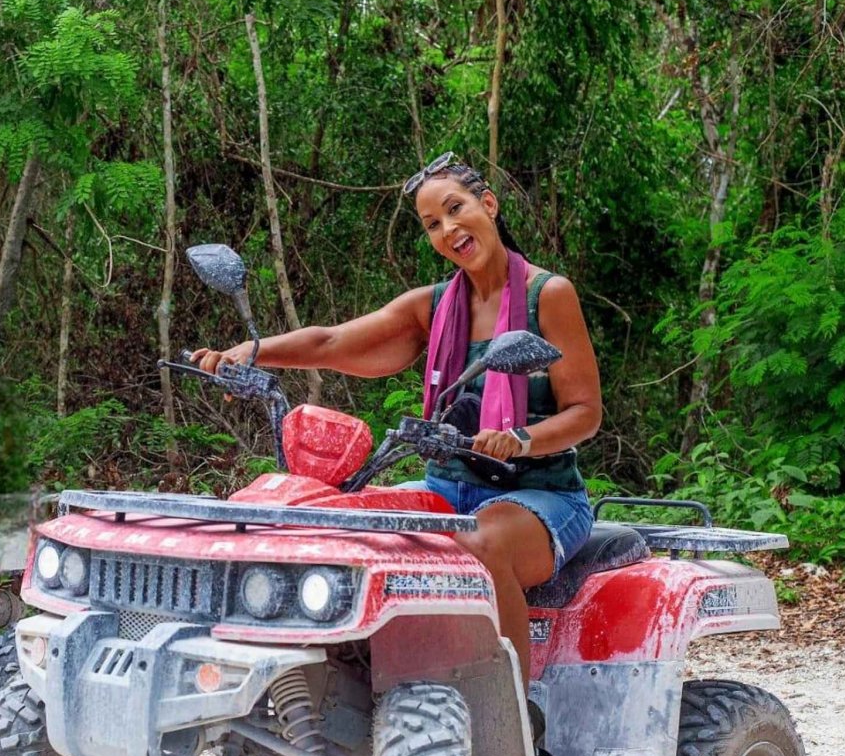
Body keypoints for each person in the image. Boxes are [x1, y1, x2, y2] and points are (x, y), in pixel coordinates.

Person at [192, 154, 602, 683]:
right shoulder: (432, 308)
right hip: (447, 487)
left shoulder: (547, 295)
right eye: (433, 224)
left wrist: (520, 439)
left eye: (456, 209)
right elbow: (332, 341)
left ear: (489, 205)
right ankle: (349, 686)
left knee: (482, 542)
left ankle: (510, 709)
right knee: (344, 522)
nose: (449, 229)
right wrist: (249, 352)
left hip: (540, 495)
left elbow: (585, 413)